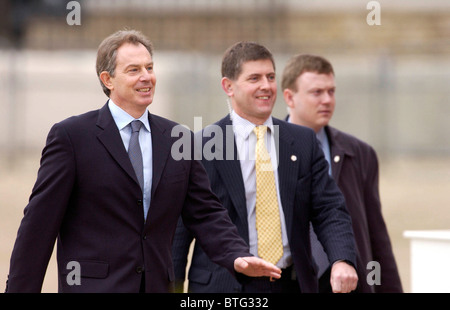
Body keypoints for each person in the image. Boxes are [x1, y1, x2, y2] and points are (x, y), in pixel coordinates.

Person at [4, 29, 282, 293]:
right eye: (134, 70)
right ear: (107, 79)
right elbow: (38, 227)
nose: (146, 77)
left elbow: (206, 212)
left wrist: (236, 255)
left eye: (149, 68)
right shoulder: (72, 137)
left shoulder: (177, 138)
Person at [172, 41, 358, 293]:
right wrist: (171, 286)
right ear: (228, 86)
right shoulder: (202, 146)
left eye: (270, 77)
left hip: (292, 284)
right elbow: (180, 230)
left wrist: (342, 260)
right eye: (254, 78)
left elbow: (330, 209)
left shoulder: (302, 141)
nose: (267, 86)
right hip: (224, 287)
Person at [281, 53, 403, 292]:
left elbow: (376, 235)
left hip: (348, 283)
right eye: (317, 92)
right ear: (289, 97)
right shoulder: (266, 149)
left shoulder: (359, 154)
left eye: (331, 91)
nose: (327, 100)